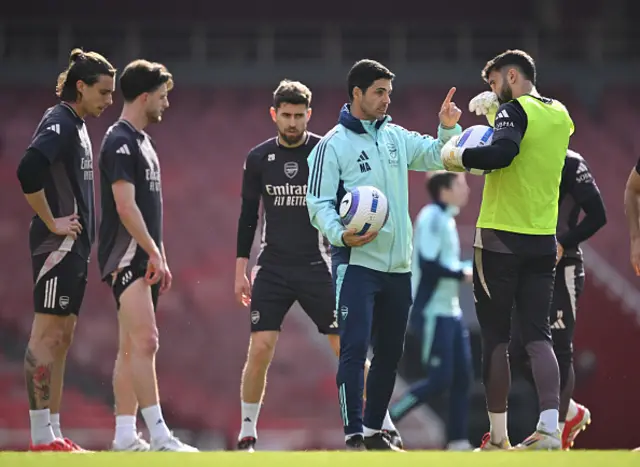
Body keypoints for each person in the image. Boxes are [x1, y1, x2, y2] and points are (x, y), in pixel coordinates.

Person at [234, 79, 401, 452]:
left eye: (299, 115)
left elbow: (347, 205)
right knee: (260, 348)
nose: (293, 123)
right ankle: (247, 431)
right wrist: (239, 269)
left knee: (348, 347)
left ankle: (382, 422)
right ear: (274, 115)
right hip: (273, 268)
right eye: (286, 115)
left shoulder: (327, 152)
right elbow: (248, 216)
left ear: (309, 114)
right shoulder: (258, 158)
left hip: (318, 266)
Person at [306, 59, 462, 451]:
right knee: (355, 349)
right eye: (378, 91)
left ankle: (375, 430)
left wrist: (446, 127)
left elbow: (436, 156)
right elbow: (318, 203)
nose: (386, 99)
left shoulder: (395, 137)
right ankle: (354, 433)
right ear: (356, 93)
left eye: (389, 92)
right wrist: (340, 233)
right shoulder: (331, 145)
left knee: (391, 354)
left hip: (398, 268)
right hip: (357, 264)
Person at [441, 49, 574, 450]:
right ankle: (550, 429)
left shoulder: (513, 111)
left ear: (512, 76)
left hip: (499, 238)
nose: (493, 90)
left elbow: (503, 154)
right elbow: (530, 151)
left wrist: (456, 154)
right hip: (541, 238)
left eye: (495, 82)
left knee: (496, 338)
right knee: (538, 335)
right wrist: (492, 114)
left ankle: (499, 438)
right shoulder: (561, 114)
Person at [16, 48, 116, 452]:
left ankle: (54, 432)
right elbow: (28, 169)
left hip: (74, 247)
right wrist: (51, 220)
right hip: (56, 245)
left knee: (63, 336)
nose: (109, 100)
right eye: (104, 92)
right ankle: (41, 437)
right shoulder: (59, 121)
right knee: (47, 334)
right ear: (81, 87)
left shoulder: (77, 124)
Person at [98, 59, 197, 452]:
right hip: (126, 255)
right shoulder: (119, 140)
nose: (166, 104)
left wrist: (161, 255)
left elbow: (151, 208)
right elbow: (125, 206)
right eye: (162, 96)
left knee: (129, 346)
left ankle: (125, 434)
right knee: (147, 340)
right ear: (143, 96)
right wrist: (153, 251)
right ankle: (158, 434)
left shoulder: (143, 142)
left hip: (144, 256)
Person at [508, 149, 605, 449]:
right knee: (517, 349)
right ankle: (571, 411)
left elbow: (598, 215)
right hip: (528, 265)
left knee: (559, 348)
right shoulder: (519, 156)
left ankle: (556, 432)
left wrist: (563, 242)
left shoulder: (572, 162)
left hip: (564, 266)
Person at [389, 172, 473, 451]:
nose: (467, 189)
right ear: (445, 190)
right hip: (434, 312)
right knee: (439, 381)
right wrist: (464, 273)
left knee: (463, 377)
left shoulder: (446, 218)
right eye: (461, 184)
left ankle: (458, 441)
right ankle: (383, 421)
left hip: (451, 311)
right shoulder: (432, 218)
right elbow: (429, 264)